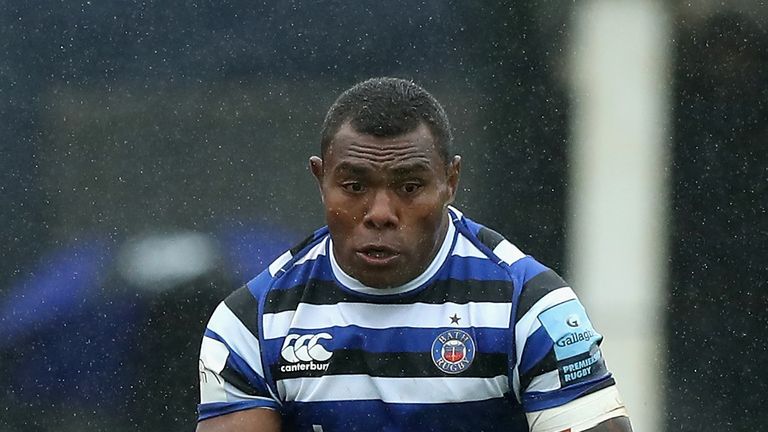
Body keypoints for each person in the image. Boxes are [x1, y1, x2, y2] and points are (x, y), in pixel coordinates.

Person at [195, 77, 632, 432]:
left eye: (409, 187)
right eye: (354, 187)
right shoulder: (250, 323)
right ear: (320, 178)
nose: (380, 214)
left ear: (450, 180)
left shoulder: (533, 308)